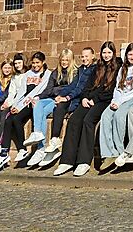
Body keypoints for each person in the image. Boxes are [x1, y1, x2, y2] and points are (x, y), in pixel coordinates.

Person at [54, 42, 120, 177]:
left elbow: (111, 90)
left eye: (109, 52)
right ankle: (67, 161)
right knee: (74, 120)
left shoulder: (117, 67)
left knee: (88, 121)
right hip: (89, 99)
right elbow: (87, 86)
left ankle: (83, 161)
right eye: (104, 52)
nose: (106, 55)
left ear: (113, 53)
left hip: (104, 101)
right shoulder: (97, 68)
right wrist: (84, 98)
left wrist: (94, 100)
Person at [0, 51, 52, 172]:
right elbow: (22, 92)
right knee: (9, 120)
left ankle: (23, 148)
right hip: (24, 102)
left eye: (37, 63)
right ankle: (6, 153)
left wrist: (21, 106)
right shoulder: (28, 74)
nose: (35, 65)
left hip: (35, 103)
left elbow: (37, 91)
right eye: (33, 63)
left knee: (17, 119)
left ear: (43, 62)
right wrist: (15, 105)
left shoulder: (47, 74)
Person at [37, 46, 96, 167]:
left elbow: (81, 88)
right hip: (72, 97)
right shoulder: (81, 70)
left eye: (86, 56)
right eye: (83, 56)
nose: (84, 59)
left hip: (79, 99)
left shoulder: (93, 69)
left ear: (92, 56)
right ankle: (55, 139)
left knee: (66, 109)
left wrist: (68, 97)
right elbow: (72, 85)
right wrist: (61, 95)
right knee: (59, 106)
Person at [23, 48, 78, 167]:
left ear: (71, 60)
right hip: (53, 98)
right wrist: (38, 97)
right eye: (62, 60)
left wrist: (60, 93)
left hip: (64, 100)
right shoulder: (55, 72)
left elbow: (73, 88)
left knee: (45, 110)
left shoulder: (75, 72)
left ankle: (44, 146)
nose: (64, 62)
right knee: (38, 104)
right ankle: (40, 144)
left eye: (67, 60)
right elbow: (49, 89)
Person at [99, 42, 133, 170]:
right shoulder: (123, 69)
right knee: (106, 116)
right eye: (130, 54)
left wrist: (120, 102)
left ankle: (120, 151)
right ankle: (109, 152)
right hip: (120, 98)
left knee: (119, 116)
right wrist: (115, 100)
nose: (132, 57)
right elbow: (118, 88)